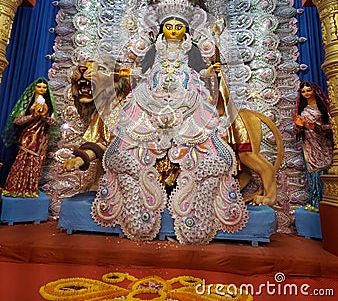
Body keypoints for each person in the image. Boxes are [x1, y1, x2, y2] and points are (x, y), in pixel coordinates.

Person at [91, 14, 248, 244]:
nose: (173, 31)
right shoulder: (154, 49)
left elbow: (206, 64)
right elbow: (136, 59)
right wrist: (137, 35)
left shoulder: (190, 50)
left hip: (187, 91)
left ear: (185, 31)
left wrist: (210, 48)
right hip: (153, 91)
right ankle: (135, 193)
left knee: (202, 134)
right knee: (133, 130)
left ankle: (198, 197)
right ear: (161, 29)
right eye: (169, 26)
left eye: (178, 27)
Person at [1, 78, 58, 197]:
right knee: (22, 161)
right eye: (39, 86)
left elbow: (53, 123)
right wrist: (32, 116)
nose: (42, 89)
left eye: (44, 87)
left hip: (41, 138)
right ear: (34, 88)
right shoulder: (28, 102)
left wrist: (45, 117)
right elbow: (17, 120)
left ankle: (30, 190)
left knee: (36, 163)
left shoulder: (49, 105)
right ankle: (15, 189)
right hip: (28, 136)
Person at [293, 81, 333, 211]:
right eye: (303, 91)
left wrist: (315, 127)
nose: (306, 93)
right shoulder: (303, 110)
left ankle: (330, 202)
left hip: (323, 144)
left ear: (314, 91)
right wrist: (299, 127)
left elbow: (332, 126)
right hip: (309, 145)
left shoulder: (323, 108)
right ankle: (317, 203)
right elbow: (296, 132)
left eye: (308, 90)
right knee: (313, 174)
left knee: (326, 172)